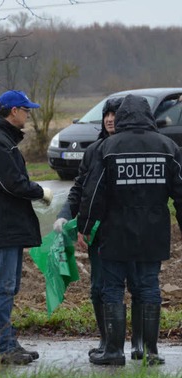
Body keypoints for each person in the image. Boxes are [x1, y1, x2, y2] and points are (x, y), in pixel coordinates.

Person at [78, 94, 182, 366]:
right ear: (149, 116)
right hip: (153, 233)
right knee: (149, 288)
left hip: (116, 232)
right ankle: (149, 351)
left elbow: (94, 192)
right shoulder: (168, 147)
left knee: (112, 288)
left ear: (122, 116)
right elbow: (181, 193)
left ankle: (113, 351)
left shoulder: (108, 147)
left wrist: (86, 226)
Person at [0, 90, 53, 365]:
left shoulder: (3, 139)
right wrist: (39, 191)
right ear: (13, 111)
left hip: (8, 225)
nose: (29, 114)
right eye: (26, 109)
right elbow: (12, 183)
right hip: (1, 226)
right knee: (3, 287)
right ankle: (2, 346)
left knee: (9, 286)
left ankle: (7, 341)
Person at [53, 98, 133, 359]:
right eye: (106, 114)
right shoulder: (94, 150)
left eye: (115, 114)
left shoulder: (133, 148)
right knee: (99, 288)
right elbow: (79, 188)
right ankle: (107, 340)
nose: (110, 119)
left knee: (138, 287)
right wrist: (65, 215)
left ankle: (141, 346)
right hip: (98, 232)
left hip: (131, 232)